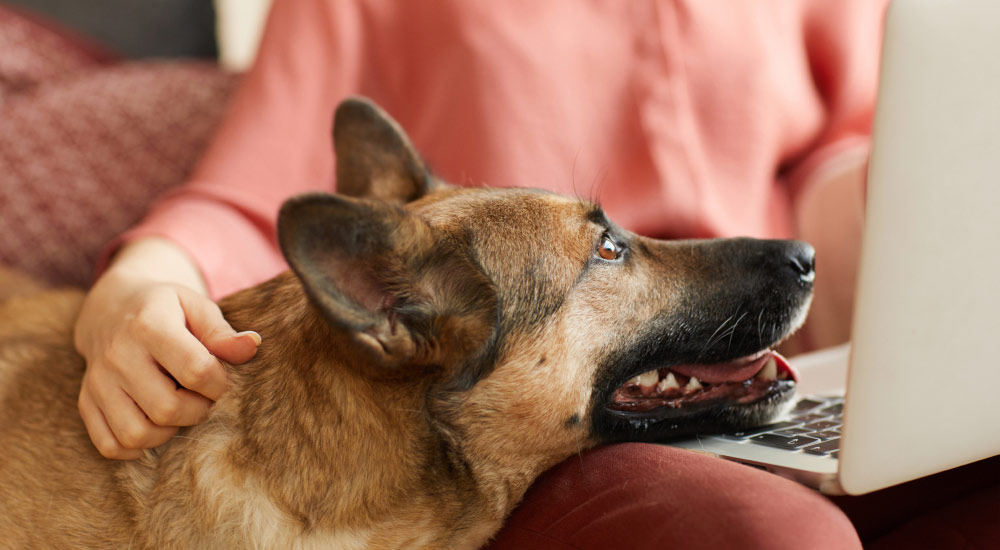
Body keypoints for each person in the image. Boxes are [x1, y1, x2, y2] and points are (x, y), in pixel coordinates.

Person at [74, 1, 885, 547]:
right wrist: (134, 291)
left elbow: (843, 150)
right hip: (533, 399)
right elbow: (251, 198)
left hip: (791, 359)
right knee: (776, 537)